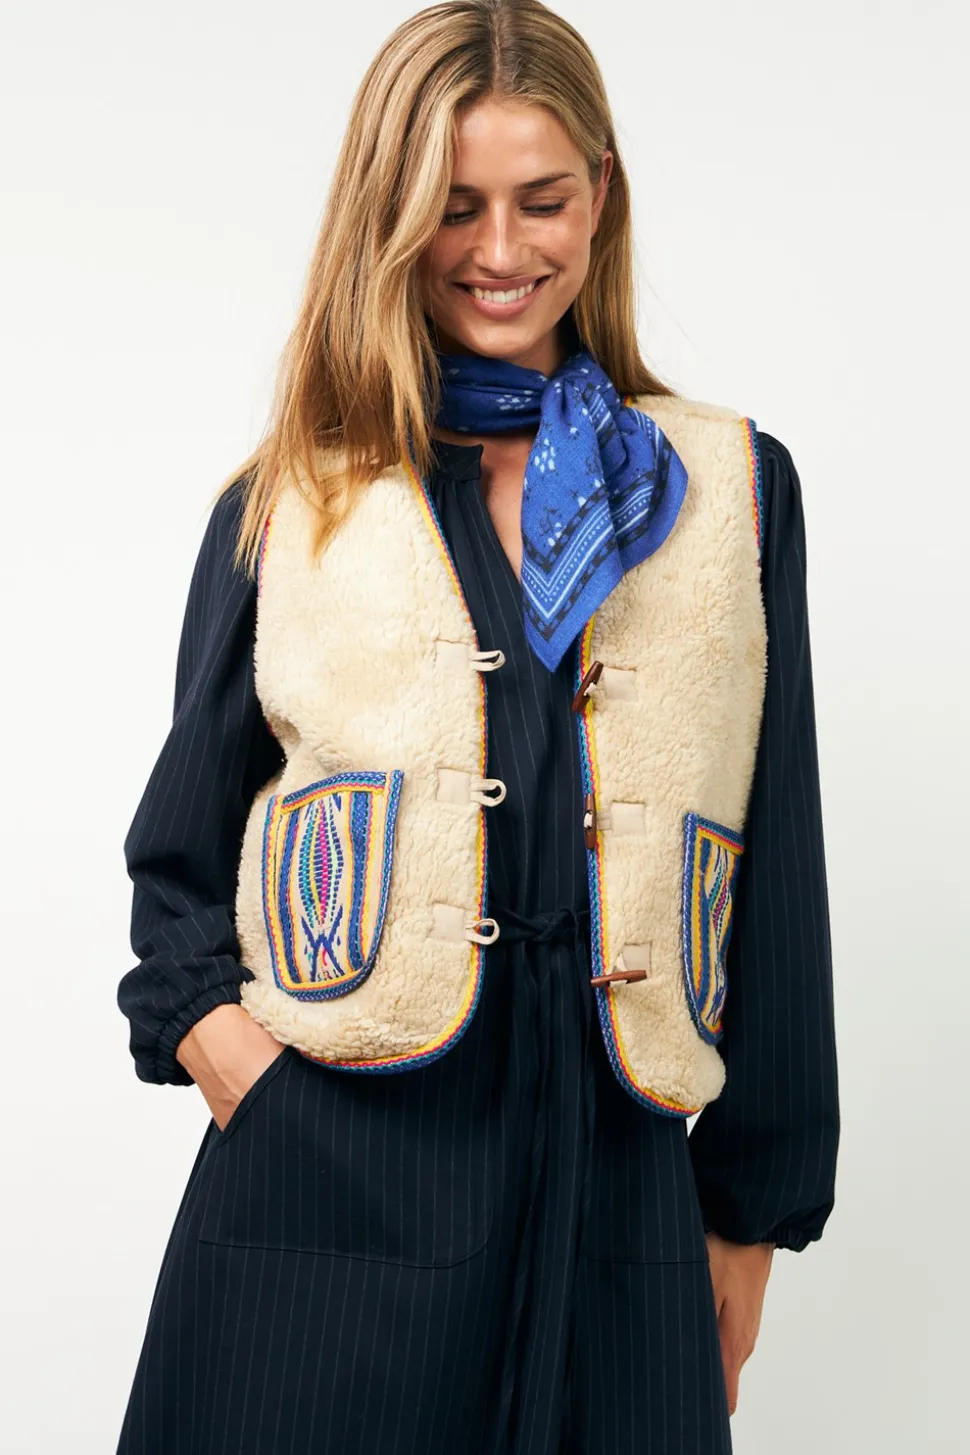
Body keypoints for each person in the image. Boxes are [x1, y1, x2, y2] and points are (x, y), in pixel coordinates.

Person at [115, 3, 839, 1452]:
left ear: (601, 195)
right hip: (329, 1199)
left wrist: (750, 1210)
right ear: (385, 214)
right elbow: (177, 866)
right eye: (451, 207)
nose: (498, 249)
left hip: (618, 1203)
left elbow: (778, 862)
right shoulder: (293, 501)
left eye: (539, 198)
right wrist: (251, 1082)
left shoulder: (732, 492)